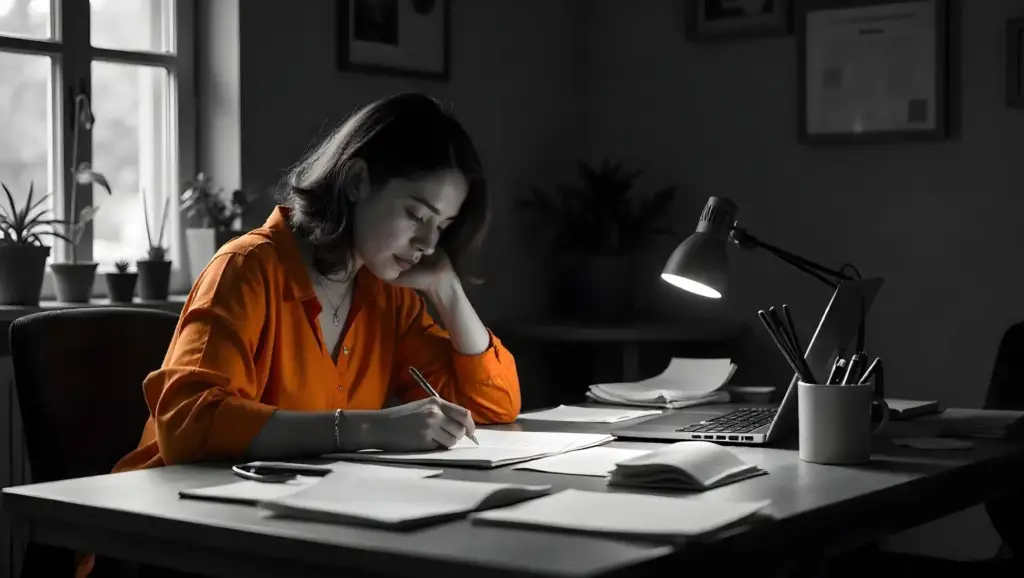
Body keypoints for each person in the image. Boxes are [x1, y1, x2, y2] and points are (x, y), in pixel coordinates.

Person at [77, 92, 521, 577]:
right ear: (356, 180)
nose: (429, 243)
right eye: (416, 215)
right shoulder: (247, 269)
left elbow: (494, 407)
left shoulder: (386, 292)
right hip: (173, 540)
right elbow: (189, 425)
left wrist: (447, 288)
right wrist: (368, 427)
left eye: (443, 225)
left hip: (298, 532)